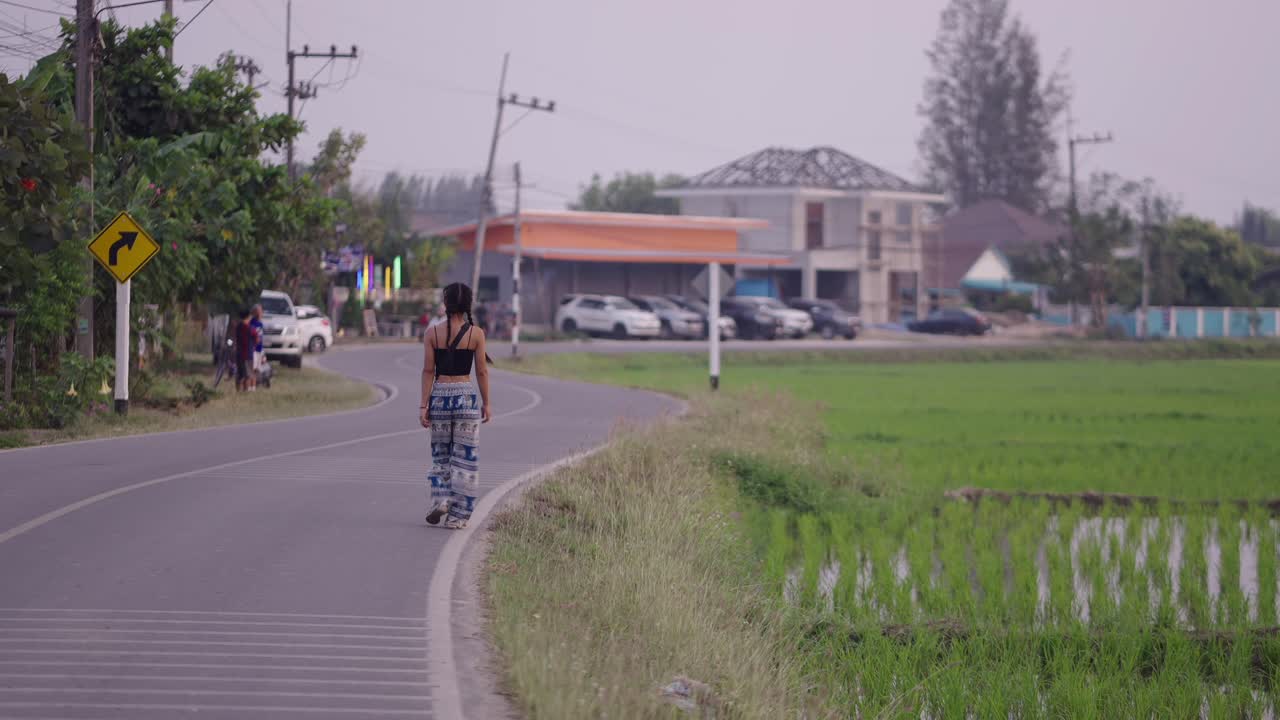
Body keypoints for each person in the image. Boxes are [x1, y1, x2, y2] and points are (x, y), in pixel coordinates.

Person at [420, 283, 492, 529]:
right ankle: (457, 516)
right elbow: (481, 371)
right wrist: (487, 403)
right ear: (468, 304)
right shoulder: (476, 334)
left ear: (446, 303)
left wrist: (423, 406)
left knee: (441, 454)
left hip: (440, 397)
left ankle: (440, 499)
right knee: (464, 459)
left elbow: (428, 370)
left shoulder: (433, 333)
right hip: (466, 398)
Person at [234, 309, 254, 392]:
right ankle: (245, 390)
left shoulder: (238, 326)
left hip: (239, 353)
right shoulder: (248, 327)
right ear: (248, 317)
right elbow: (254, 338)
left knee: (240, 374)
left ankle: (238, 390)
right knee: (247, 375)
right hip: (247, 354)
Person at [249, 304, 265, 391]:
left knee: (256, 369)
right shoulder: (252, 323)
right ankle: (250, 386)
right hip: (253, 349)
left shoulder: (261, 324)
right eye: (259, 312)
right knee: (252, 368)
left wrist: (263, 353)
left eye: (261, 311)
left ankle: (254, 387)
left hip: (259, 349)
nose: (261, 313)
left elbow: (261, 338)